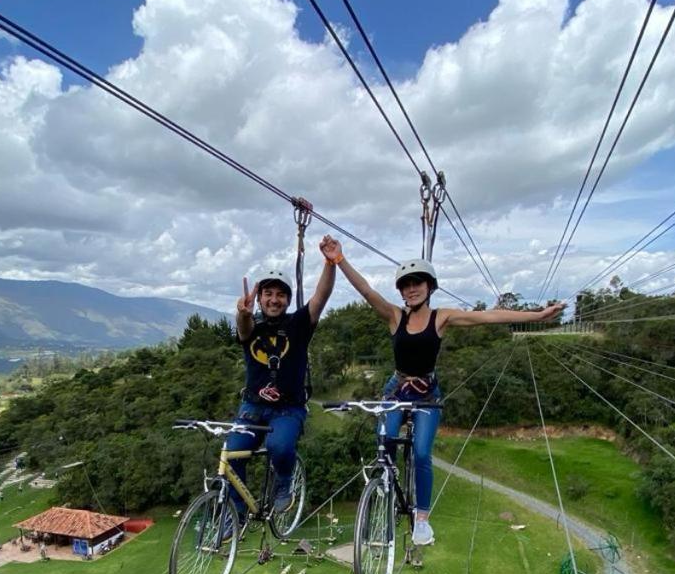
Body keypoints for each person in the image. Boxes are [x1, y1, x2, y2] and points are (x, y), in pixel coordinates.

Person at [318, 235, 564, 546]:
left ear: (429, 287)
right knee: (384, 443)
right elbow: (366, 290)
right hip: (397, 388)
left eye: (418, 283)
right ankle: (386, 495)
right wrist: (339, 259)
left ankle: (422, 519)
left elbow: (488, 317)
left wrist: (537, 316)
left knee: (421, 453)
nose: (411, 289)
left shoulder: (442, 317)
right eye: (406, 285)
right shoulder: (395, 316)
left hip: (427, 393)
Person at [227, 205, 336, 519]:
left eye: (280, 295)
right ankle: (236, 512)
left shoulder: (298, 324)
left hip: (288, 407)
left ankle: (284, 480)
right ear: (260, 299)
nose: (274, 300)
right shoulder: (252, 326)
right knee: (232, 454)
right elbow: (244, 330)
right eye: (268, 295)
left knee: (280, 448)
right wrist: (243, 313)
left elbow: (321, 296)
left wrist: (331, 263)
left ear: (287, 300)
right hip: (252, 407)